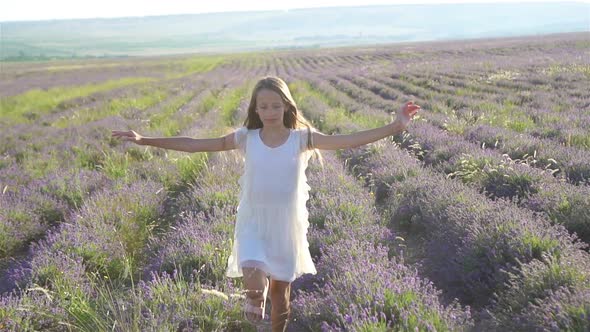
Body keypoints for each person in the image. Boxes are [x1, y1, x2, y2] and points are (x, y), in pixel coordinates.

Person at [111, 76, 420, 331]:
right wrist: (145, 140)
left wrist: (396, 127)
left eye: (275, 105)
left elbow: (348, 139)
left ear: (286, 106)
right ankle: (253, 298)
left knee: (281, 298)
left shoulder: (303, 138)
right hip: (254, 220)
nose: (270, 110)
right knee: (253, 274)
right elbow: (195, 145)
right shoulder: (246, 137)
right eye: (263, 106)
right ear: (255, 109)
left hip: (286, 225)